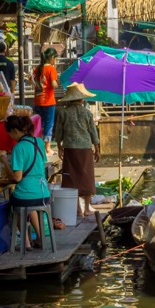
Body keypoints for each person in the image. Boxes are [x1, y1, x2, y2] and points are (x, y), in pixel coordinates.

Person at [0, 115, 51, 250]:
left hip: (27, 193)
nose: (10, 136)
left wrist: (5, 162)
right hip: (43, 192)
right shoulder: (39, 142)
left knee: (15, 204)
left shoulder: (18, 148)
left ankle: (26, 242)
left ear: (15, 131)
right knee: (30, 205)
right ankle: (40, 238)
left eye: (9, 133)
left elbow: (17, 178)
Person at [53, 83, 101, 218]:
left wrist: (59, 146)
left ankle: (78, 210)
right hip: (85, 149)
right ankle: (86, 207)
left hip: (70, 148)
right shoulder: (87, 113)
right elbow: (92, 132)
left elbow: (59, 132)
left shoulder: (63, 112)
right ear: (82, 99)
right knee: (86, 177)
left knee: (72, 179)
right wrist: (97, 148)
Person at [32, 47, 59, 155]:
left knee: (39, 124)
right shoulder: (51, 69)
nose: (55, 61)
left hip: (38, 101)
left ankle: (38, 147)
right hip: (48, 101)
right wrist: (57, 83)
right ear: (52, 58)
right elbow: (53, 84)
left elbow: (31, 80)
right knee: (49, 124)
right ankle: (47, 148)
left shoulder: (38, 68)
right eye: (55, 58)